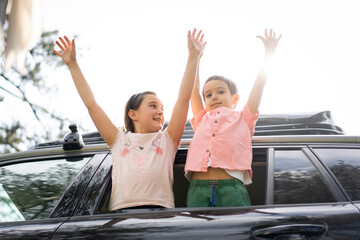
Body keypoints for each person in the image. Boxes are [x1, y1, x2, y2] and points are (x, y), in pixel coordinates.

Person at [53, 29, 206, 211]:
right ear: (133, 114)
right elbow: (91, 104)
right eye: (153, 106)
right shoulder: (119, 140)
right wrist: (73, 66)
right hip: (122, 216)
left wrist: (193, 58)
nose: (160, 112)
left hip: (161, 214)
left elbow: (183, 99)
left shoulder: (167, 139)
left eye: (162, 109)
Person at [185, 29, 281, 207]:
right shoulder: (202, 119)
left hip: (231, 188)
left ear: (235, 98)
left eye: (220, 92)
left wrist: (269, 54)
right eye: (208, 95)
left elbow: (259, 85)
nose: (214, 96)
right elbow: (193, 88)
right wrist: (195, 57)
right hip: (197, 188)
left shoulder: (243, 118)